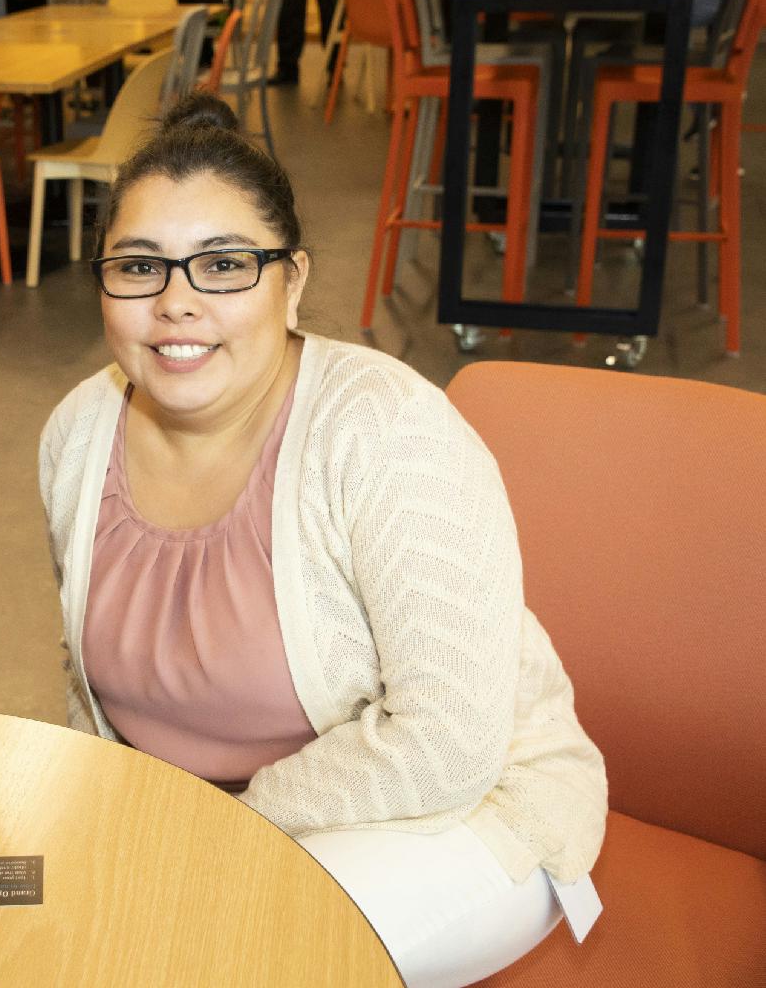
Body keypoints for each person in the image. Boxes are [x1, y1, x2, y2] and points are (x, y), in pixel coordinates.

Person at [38, 93, 606, 986]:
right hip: (201, 824)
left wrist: (229, 827)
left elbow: (447, 744)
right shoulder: (78, 433)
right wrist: (114, 819)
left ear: (292, 280)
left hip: (449, 811)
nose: (176, 303)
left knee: (220, 962)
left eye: (224, 265)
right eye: (140, 267)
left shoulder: (385, 433)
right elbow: (86, 676)